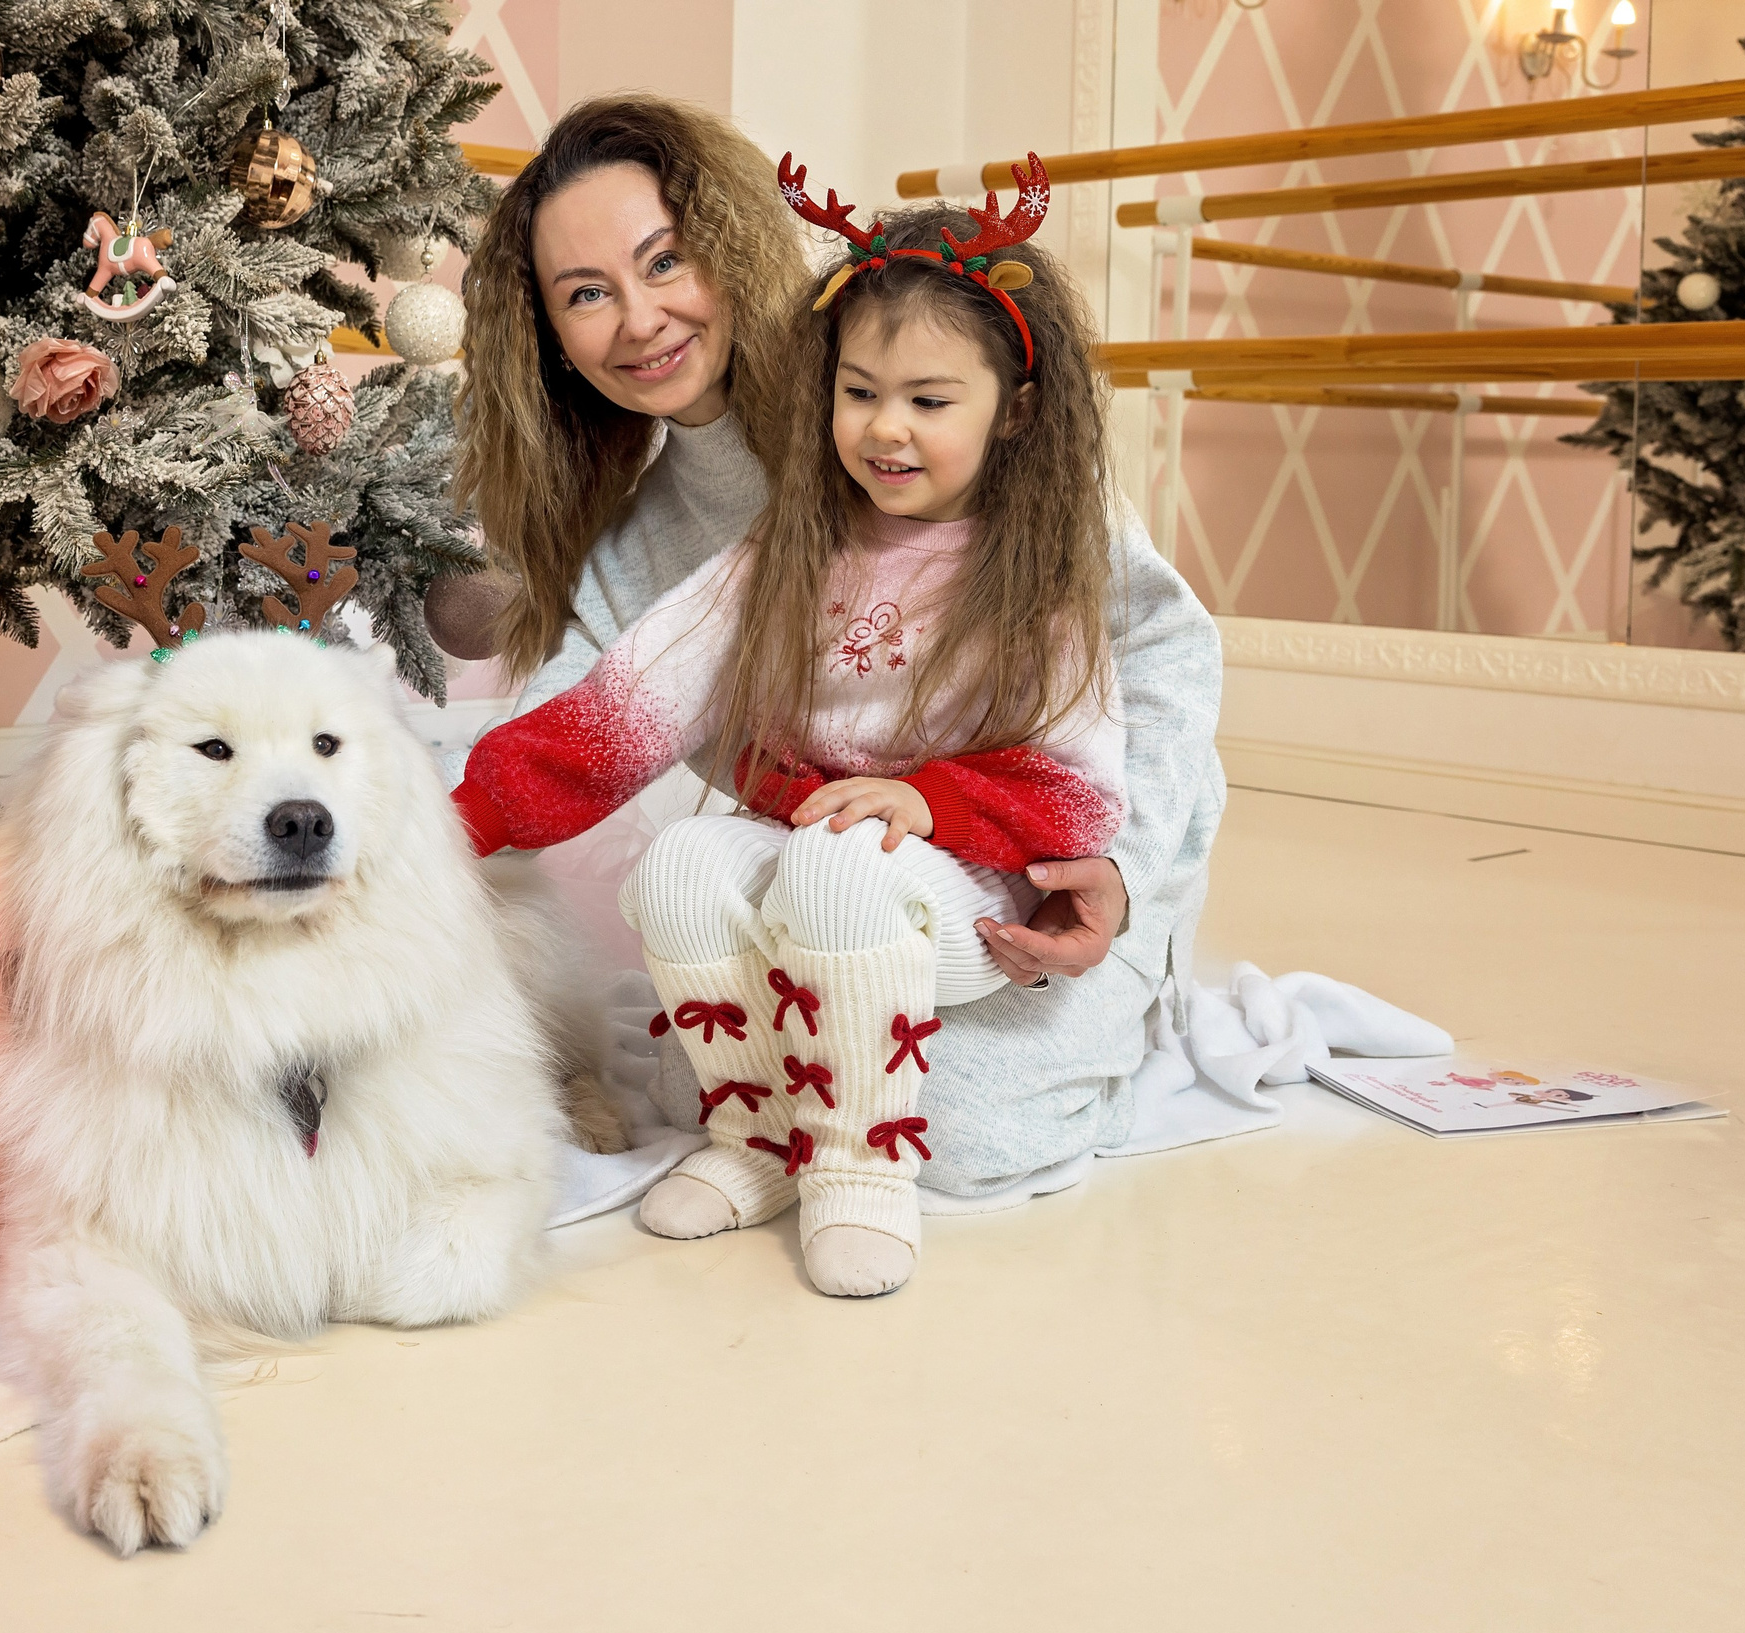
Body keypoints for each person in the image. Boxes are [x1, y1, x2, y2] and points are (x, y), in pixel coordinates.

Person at [449, 163, 1218, 1299]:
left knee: (863, 914)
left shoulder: (1031, 558)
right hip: (829, 859)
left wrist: (945, 810)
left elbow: (1076, 780)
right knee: (683, 865)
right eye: (859, 395)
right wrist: (453, 820)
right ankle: (761, 1146)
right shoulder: (788, 545)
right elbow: (624, 710)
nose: (885, 430)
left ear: (1012, 412)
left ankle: (856, 1168)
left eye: (663, 261)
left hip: (983, 876)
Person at [438, 95, 1186, 997]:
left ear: (731, 242)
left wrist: (1124, 875)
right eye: (588, 293)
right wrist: (401, 818)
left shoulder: (939, 404)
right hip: (818, 871)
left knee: (963, 1131)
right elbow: (573, 734)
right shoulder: (640, 556)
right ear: (550, 338)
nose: (639, 320)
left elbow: (1157, 649)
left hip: (1040, 865)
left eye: (665, 261)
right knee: (708, 1052)